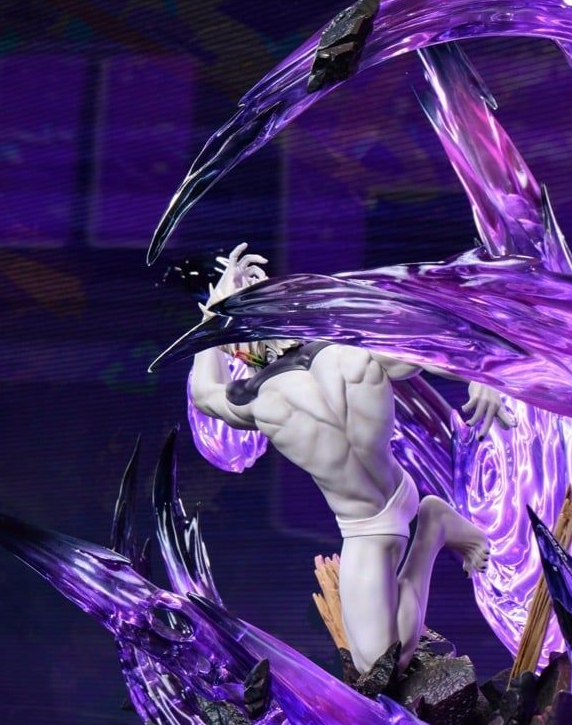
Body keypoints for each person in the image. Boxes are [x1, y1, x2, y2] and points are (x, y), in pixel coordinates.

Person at [189, 244, 516, 673]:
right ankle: (432, 521)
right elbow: (432, 347)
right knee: (381, 661)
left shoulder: (261, 399)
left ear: (238, 348)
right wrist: (480, 372)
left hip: (368, 527)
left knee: (379, 663)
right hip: (388, 499)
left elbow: (203, 393)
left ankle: (432, 528)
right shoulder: (348, 356)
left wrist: (210, 319)